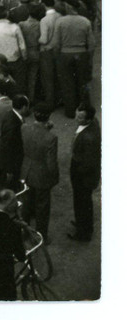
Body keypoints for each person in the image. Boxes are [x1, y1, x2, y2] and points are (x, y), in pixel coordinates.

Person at [21, 103, 59, 241]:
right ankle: (40, 235)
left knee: (26, 205)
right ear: (48, 117)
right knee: (42, 207)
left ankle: (24, 232)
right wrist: (54, 178)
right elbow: (51, 163)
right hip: (42, 175)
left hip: (26, 170)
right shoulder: (51, 137)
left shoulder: (24, 128)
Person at [68, 103, 101, 242]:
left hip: (83, 177)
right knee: (83, 203)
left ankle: (83, 233)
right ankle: (82, 223)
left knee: (82, 203)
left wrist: (77, 172)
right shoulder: (93, 123)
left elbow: (88, 163)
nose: (77, 119)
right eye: (77, 114)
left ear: (88, 119)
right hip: (85, 174)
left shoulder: (88, 138)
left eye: (80, 118)